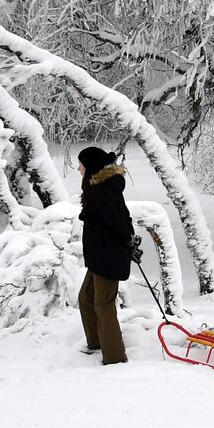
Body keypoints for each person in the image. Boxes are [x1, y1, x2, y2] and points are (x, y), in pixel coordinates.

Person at [77, 146, 141, 365]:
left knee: (103, 304)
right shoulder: (99, 187)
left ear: (91, 166)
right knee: (86, 299)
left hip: (108, 256)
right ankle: (96, 344)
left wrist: (129, 241)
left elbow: (118, 220)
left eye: (81, 165)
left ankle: (114, 357)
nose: (78, 169)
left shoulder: (102, 190)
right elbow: (118, 216)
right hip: (99, 256)